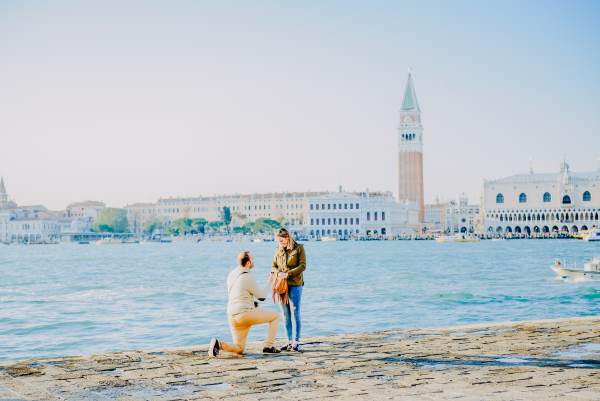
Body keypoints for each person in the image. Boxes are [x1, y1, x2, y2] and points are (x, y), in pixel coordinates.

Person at [208, 251, 280, 357]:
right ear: (248, 263)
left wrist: (252, 303)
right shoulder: (247, 276)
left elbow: (239, 293)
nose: (253, 261)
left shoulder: (231, 274)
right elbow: (262, 296)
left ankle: (218, 344)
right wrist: (271, 281)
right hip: (244, 314)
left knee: (239, 349)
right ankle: (268, 346)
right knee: (276, 316)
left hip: (232, 315)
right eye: (252, 259)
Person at [271, 228, 306, 352]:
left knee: (295, 312)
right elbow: (274, 266)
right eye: (279, 241)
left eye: (282, 240)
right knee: (285, 314)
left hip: (296, 284)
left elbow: (303, 266)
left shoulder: (299, 248)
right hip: (282, 285)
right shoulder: (278, 250)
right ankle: (289, 341)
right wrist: (277, 273)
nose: (281, 243)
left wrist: (288, 274)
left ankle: (297, 341)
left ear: (287, 237)